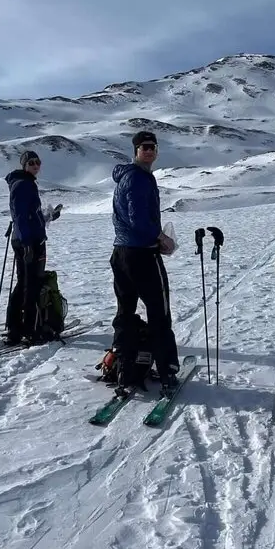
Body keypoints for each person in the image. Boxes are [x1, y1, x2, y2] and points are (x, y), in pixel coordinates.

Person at [110, 130, 179, 394]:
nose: (149, 151)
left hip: (121, 253)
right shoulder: (138, 178)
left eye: (152, 147)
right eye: (143, 147)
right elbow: (137, 219)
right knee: (158, 312)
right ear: (135, 151)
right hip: (141, 254)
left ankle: (125, 368)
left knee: (126, 311)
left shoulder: (128, 176)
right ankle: (166, 370)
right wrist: (161, 238)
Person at [4, 149, 62, 345]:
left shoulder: (27, 183)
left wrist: (49, 217)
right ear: (24, 165)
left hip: (28, 240)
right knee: (31, 285)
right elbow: (19, 217)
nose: (35, 166)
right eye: (31, 163)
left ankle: (15, 328)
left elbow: (31, 216)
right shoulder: (22, 185)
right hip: (29, 243)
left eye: (37, 162)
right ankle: (28, 329)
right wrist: (27, 243)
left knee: (25, 284)